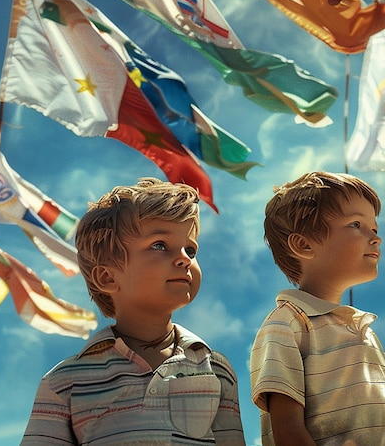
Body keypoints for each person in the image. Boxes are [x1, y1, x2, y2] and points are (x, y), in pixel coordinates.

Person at [21, 177, 245, 445]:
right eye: (159, 245)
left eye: (191, 249)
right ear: (107, 277)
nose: (185, 258)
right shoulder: (63, 383)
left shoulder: (216, 370)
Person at [250, 171, 385, 446]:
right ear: (304, 244)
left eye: (375, 228)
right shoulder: (287, 324)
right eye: (356, 224)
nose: (375, 237)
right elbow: (288, 430)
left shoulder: (366, 331)